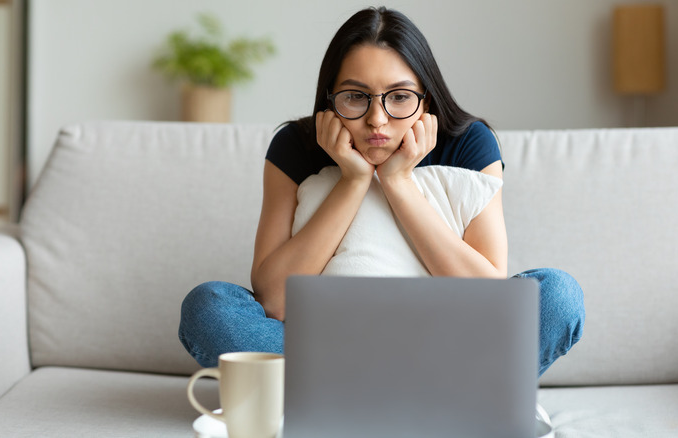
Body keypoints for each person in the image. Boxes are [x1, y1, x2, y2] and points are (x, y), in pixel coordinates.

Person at [178, 6, 584, 378]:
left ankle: (353, 394)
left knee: (557, 296)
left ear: (426, 101)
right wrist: (354, 181)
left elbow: (491, 299)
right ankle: (423, 396)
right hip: (327, 348)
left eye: (400, 97)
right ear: (330, 100)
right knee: (209, 307)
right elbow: (275, 300)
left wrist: (398, 181)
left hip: (445, 348)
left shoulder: (469, 143)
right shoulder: (295, 146)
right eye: (355, 97)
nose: (377, 119)